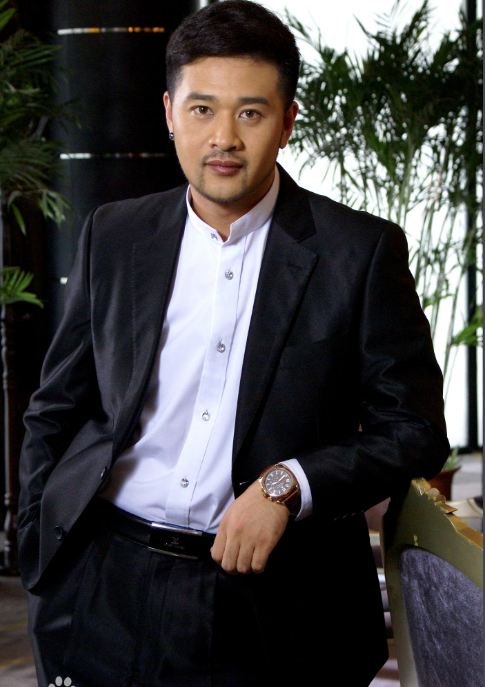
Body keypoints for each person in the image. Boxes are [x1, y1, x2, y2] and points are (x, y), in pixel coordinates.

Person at [17, 1, 449, 686]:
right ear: (169, 112)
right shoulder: (116, 235)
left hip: (278, 602)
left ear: (287, 121)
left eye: (250, 112)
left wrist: (286, 484)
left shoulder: (358, 252)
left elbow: (415, 431)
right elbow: (57, 408)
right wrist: (44, 560)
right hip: (109, 585)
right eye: (201, 109)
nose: (223, 137)